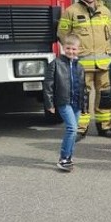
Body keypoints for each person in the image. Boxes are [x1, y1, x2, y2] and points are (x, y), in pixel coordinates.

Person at [57, 0, 111, 138]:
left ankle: (104, 126)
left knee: (105, 95)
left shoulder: (105, 11)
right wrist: (72, 53)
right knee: (83, 97)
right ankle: (81, 128)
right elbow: (63, 34)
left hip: (104, 64)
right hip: (81, 64)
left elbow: (109, 34)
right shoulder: (71, 11)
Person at [43, 34, 85, 172]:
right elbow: (48, 85)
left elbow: (83, 87)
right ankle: (64, 158)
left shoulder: (80, 67)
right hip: (63, 102)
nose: (71, 51)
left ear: (78, 50)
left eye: (74, 49)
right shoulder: (55, 64)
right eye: (68, 48)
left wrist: (83, 106)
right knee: (71, 129)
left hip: (76, 103)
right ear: (63, 48)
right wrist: (49, 104)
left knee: (74, 130)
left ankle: (69, 157)